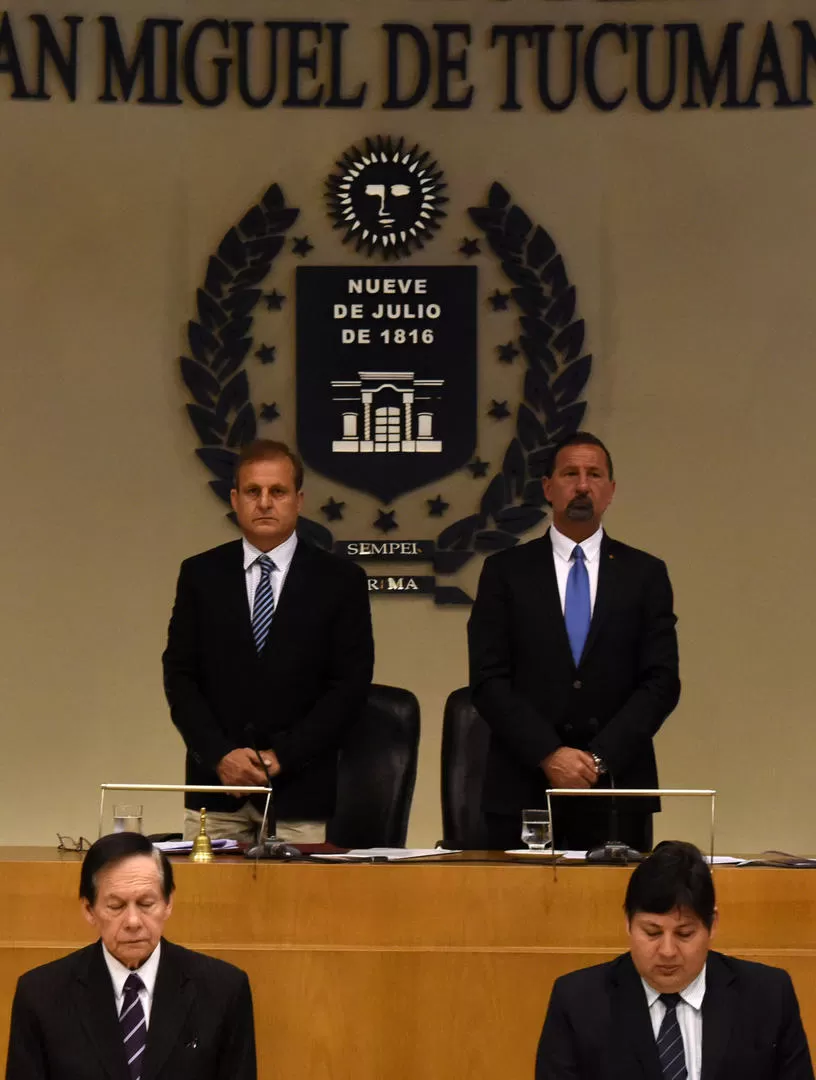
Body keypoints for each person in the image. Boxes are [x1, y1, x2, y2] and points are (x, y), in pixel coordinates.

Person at [467, 431, 680, 852]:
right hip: (525, 789)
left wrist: (598, 758)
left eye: (594, 475)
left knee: (617, 913)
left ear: (610, 491)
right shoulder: (505, 571)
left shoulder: (645, 573)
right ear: (548, 488)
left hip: (617, 788)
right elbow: (488, 680)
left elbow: (661, 682)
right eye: (570, 473)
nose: (583, 485)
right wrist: (549, 754)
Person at [163, 439, 374, 844]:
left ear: (298, 500)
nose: (264, 503)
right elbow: (180, 676)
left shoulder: (340, 581)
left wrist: (283, 757)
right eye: (252, 491)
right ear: (235, 499)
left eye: (277, 492)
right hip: (217, 790)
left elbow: (349, 686)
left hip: (300, 792)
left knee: (299, 908)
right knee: (209, 905)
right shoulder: (200, 575)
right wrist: (220, 754)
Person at [536, 840, 814, 1079]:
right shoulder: (577, 1001)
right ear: (628, 923)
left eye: (684, 933)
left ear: (712, 924)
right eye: (652, 932)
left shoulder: (768, 995)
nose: (667, 951)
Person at [6, 832, 257, 1080]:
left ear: (168, 902)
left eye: (147, 904)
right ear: (89, 909)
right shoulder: (41, 995)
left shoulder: (224, 990)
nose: (133, 921)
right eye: (116, 906)